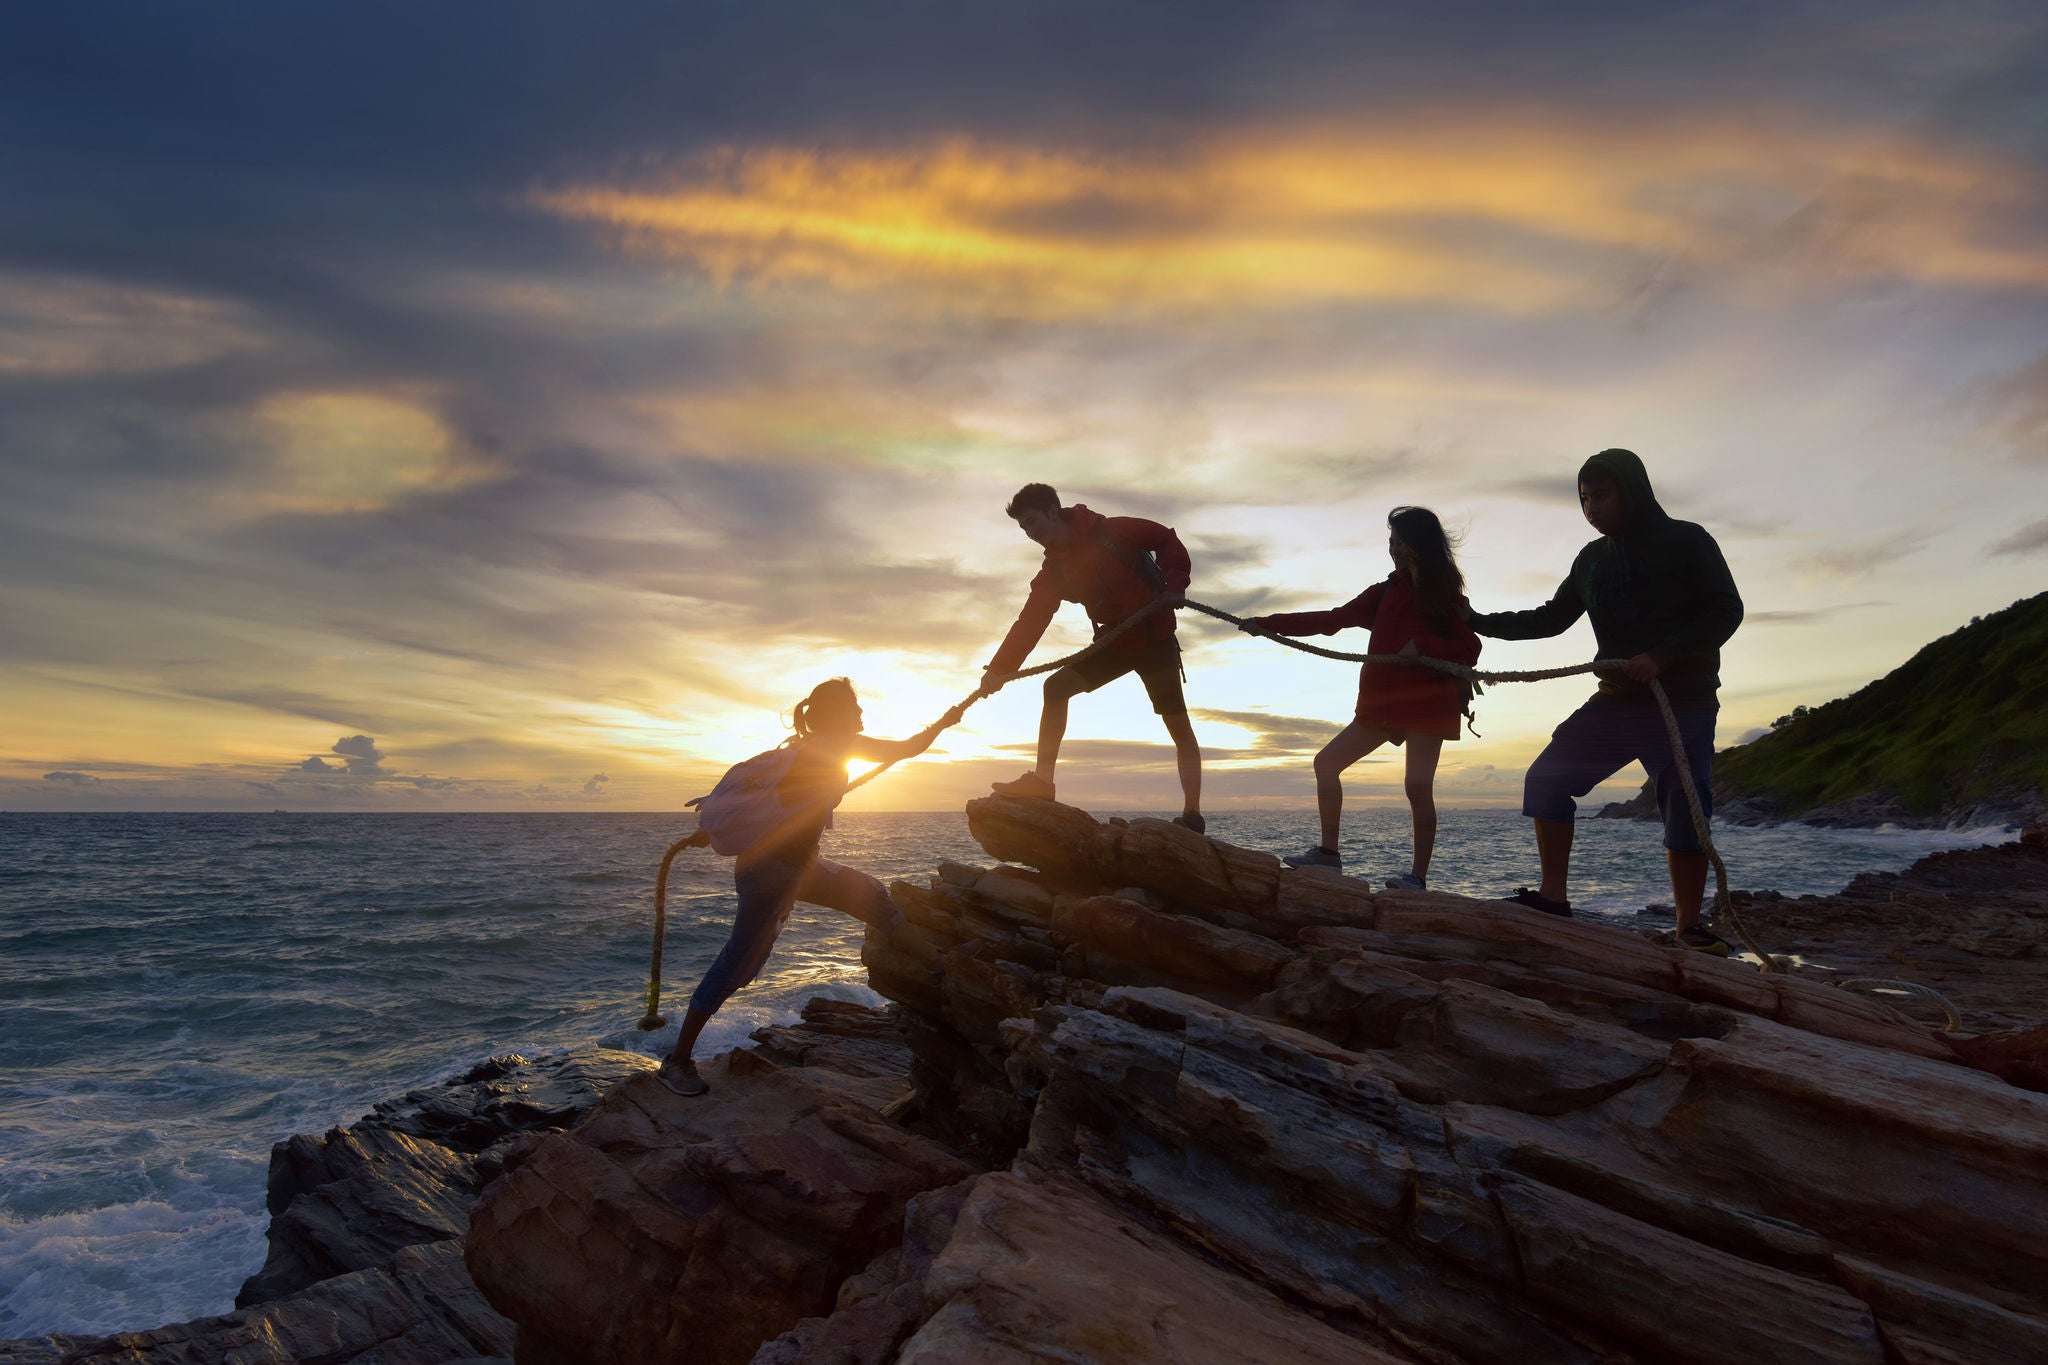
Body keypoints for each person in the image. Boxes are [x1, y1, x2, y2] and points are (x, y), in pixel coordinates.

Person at [1470, 448, 1744, 954]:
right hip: (1617, 701)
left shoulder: (1688, 541)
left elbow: (1726, 609)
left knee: (1686, 807)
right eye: (1583, 498)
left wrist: (1663, 656)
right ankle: (1554, 900)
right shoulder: (1590, 560)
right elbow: (1549, 619)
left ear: (1631, 491)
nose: (1591, 507)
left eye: (1601, 495)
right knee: (1547, 779)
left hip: (1681, 701)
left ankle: (1689, 927)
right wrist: (1476, 621)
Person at [659, 678, 962, 1096]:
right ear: (835, 714)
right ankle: (676, 1061)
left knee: (871, 895)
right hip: (769, 873)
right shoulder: (822, 752)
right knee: (739, 964)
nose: (860, 715)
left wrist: (944, 722)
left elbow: (901, 749)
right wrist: (943, 723)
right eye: (854, 708)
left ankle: (942, 968)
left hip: (798, 866)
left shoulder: (821, 748)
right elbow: (902, 750)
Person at [1243, 506, 1480, 889]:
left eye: (1398, 541)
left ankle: (1417, 878)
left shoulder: (1446, 595)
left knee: (1417, 787)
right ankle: (1329, 856)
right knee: (1326, 764)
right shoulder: (1385, 591)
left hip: (1427, 704)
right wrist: (1269, 626)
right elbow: (1332, 619)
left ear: (1418, 545)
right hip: (1381, 705)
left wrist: (1422, 645)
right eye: (1390, 541)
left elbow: (1470, 647)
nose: (1392, 548)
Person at [981, 483, 1207, 832]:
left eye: (1033, 522)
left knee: (1177, 725)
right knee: (1055, 688)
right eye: (1024, 528)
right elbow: (1031, 621)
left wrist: (1176, 584)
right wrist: (999, 670)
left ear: (1053, 513)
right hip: (1113, 643)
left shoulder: (1112, 531)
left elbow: (1165, 538)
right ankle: (1042, 783)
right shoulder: (1054, 571)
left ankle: (1192, 816)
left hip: (1154, 639)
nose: (1031, 533)